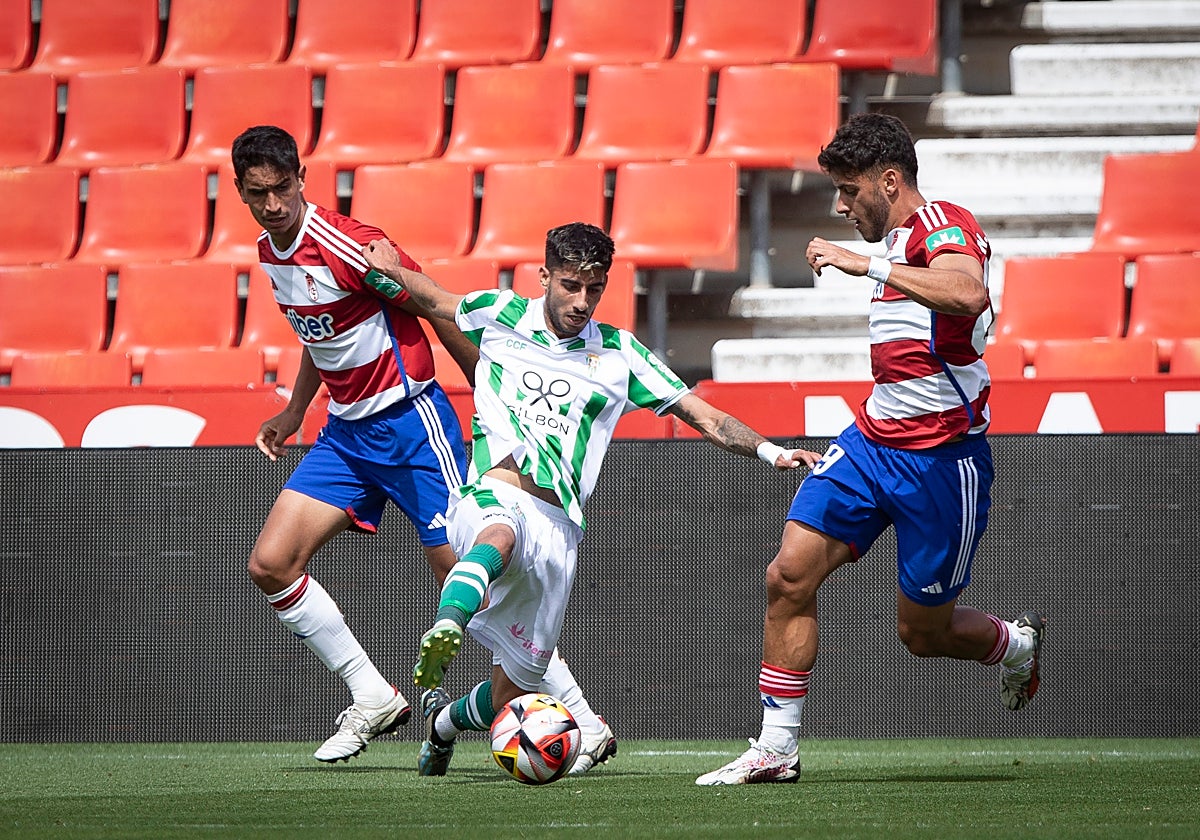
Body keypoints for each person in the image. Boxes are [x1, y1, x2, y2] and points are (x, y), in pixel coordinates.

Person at [360, 222, 822, 777]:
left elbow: (703, 416)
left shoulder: (620, 355)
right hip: (491, 492)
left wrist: (773, 452)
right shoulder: (499, 314)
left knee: (518, 687)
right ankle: (450, 622)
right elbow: (429, 297)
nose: (581, 301)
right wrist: (384, 265)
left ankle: (442, 724)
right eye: (570, 285)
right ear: (544, 277)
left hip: (559, 526)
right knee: (500, 532)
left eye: (593, 289)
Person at [232, 126, 613, 771]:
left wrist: (498, 402)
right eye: (256, 193)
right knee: (271, 563)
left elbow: (439, 309)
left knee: (473, 581)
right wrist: (296, 409)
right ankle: (371, 695)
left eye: (281, 188)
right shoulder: (272, 253)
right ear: (239, 192)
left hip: (411, 426)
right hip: (347, 435)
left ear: (302, 177)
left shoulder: (349, 244)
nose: (272, 204)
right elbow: (316, 331)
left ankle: (579, 713)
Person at [695, 113, 1047, 786]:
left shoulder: (943, 224)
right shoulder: (894, 240)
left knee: (923, 634)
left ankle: (1015, 643)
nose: (839, 204)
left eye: (849, 190)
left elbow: (968, 291)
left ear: (890, 182)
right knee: (787, 575)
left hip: (944, 463)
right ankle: (777, 748)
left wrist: (868, 262)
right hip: (870, 443)